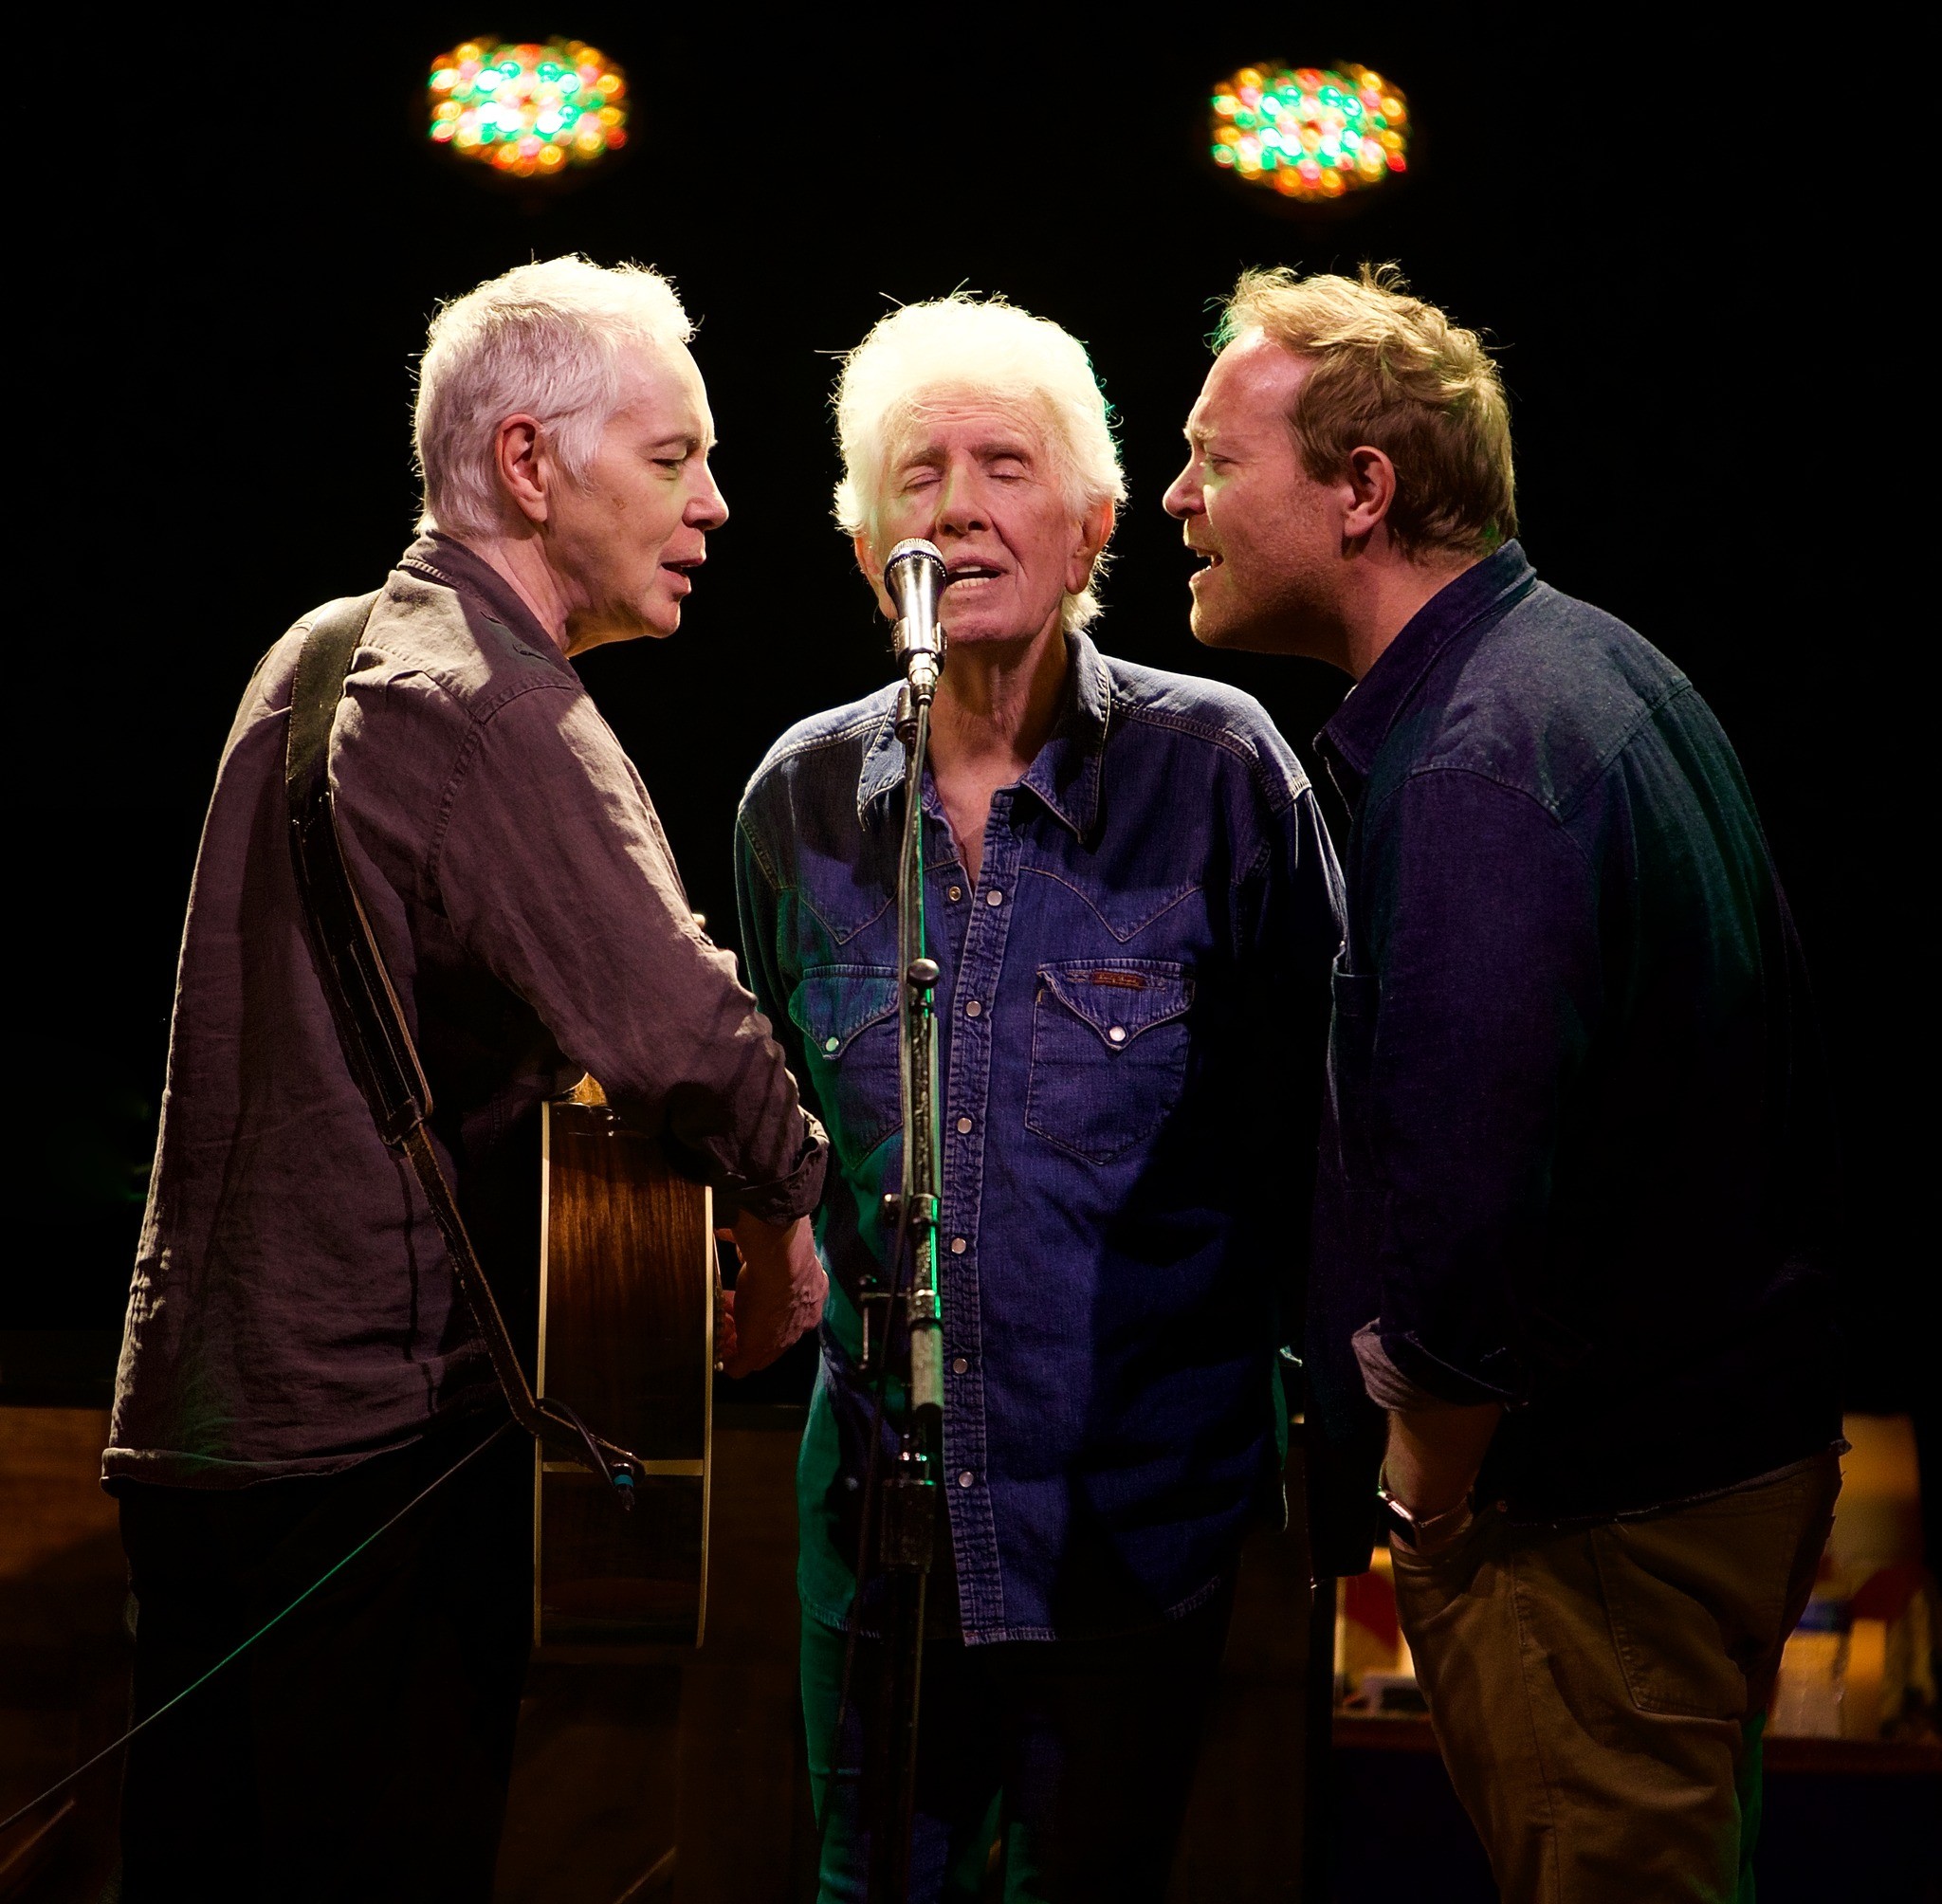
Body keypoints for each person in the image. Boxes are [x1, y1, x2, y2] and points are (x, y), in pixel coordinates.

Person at [104, 257, 829, 1900]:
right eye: (674, 458)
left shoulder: (313, 653)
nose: (714, 504)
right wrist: (784, 1217)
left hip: (198, 1431)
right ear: (528, 461)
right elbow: (687, 1036)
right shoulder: (497, 707)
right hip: (371, 1459)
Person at [1163, 264, 1844, 1902]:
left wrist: (1427, 1499)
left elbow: (1468, 1211)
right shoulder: (1593, 667)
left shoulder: (1481, 758)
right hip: (1703, 1481)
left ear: (1362, 489)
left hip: (1596, 1527)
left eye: (1214, 460)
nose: (1178, 499)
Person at [735, 294, 1345, 1901]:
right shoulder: (798, 799)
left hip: (1135, 1530)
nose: (957, 509)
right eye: (916, 475)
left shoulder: (1220, 771)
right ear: (866, 548)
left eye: (1004, 467)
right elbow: (771, 1116)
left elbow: (1320, 1137)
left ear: (1091, 529)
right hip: (877, 1543)